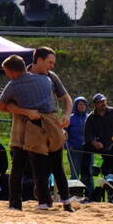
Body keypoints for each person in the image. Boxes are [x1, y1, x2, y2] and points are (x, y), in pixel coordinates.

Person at [0, 54, 58, 210]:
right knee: (40, 166)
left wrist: (17, 108)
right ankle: (45, 202)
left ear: (12, 72)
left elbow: (2, 106)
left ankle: (15, 204)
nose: (6, 75)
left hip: (21, 130)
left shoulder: (14, 84)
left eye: (6, 72)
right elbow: (50, 105)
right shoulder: (45, 80)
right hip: (42, 129)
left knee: (17, 167)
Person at [29, 46, 73, 208]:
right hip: (32, 125)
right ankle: (44, 202)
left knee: (57, 165)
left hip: (52, 124)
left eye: (53, 63)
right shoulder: (25, 76)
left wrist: (67, 115)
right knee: (39, 166)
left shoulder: (52, 77)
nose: (52, 66)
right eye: (50, 62)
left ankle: (66, 202)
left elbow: (67, 99)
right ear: (39, 60)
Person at [83, 93, 113, 201]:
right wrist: (94, 142)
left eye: (104, 101)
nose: (103, 103)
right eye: (100, 102)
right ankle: (91, 193)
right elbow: (87, 135)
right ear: (95, 104)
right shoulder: (91, 118)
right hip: (102, 150)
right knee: (107, 173)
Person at [66, 96, 90, 197]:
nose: (82, 106)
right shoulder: (70, 118)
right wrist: (68, 145)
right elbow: (64, 134)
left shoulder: (89, 118)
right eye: (80, 104)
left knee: (88, 174)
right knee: (75, 174)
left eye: (84, 104)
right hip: (74, 150)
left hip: (87, 151)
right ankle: (73, 195)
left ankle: (89, 195)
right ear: (76, 105)